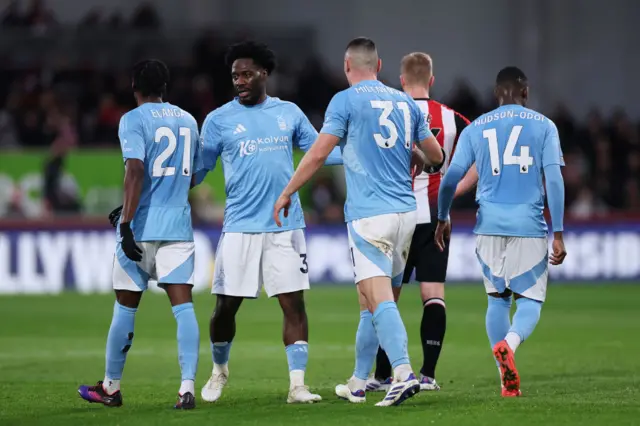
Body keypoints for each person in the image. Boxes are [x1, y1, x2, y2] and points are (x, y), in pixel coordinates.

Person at [273, 37, 445, 407]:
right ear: (380, 66)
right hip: (406, 216)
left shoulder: (345, 101)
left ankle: (402, 373)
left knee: (378, 297)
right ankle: (357, 381)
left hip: (370, 217)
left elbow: (319, 153)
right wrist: (416, 156)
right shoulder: (404, 102)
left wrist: (287, 192)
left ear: (347, 67)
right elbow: (436, 155)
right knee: (369, 300)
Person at [195, 41, 342, 404]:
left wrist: (362, 156)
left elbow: (320, 153)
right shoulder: (217, 120)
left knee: (294, 304)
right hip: (240, 227)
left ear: (264, 74)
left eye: (246, 74)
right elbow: (197, 169)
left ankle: (297, 385)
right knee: (225, 308)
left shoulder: (289, 113)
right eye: (234, 76)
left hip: (286, 225)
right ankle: (219, 370)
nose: (240, 81)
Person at [435, 66, 567, 397]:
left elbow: (450, 179)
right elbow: (554, 180)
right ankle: (509, 345)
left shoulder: (476, 127)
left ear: (497, 94)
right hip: (528, 225)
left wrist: (442, 215)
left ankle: (504, 380)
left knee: (497, 300)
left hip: (488, 226)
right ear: (526, 92)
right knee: (530, 301)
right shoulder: (545, 127)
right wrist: (560, 232)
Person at [78, 59, 202, 409]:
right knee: (184, 307)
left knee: (125, 307)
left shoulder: (132, 120)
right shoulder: (189, 120)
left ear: (135, 88)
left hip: (141, 227)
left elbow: (135, 171)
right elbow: (192, 175)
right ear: (165, 88)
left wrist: (128, 223)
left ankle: (111, 387)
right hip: (178, 226)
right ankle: (187, 387)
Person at [369, 52, 475, 393]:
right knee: (433, 295)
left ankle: (383, 375)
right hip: (434, 216)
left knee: (388, 298)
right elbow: (481, 156)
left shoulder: (387, 112)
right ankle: (428, 374)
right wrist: (454, 188)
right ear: (431, 80)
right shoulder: (452, 117)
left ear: (401, 80)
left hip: (393, 214)